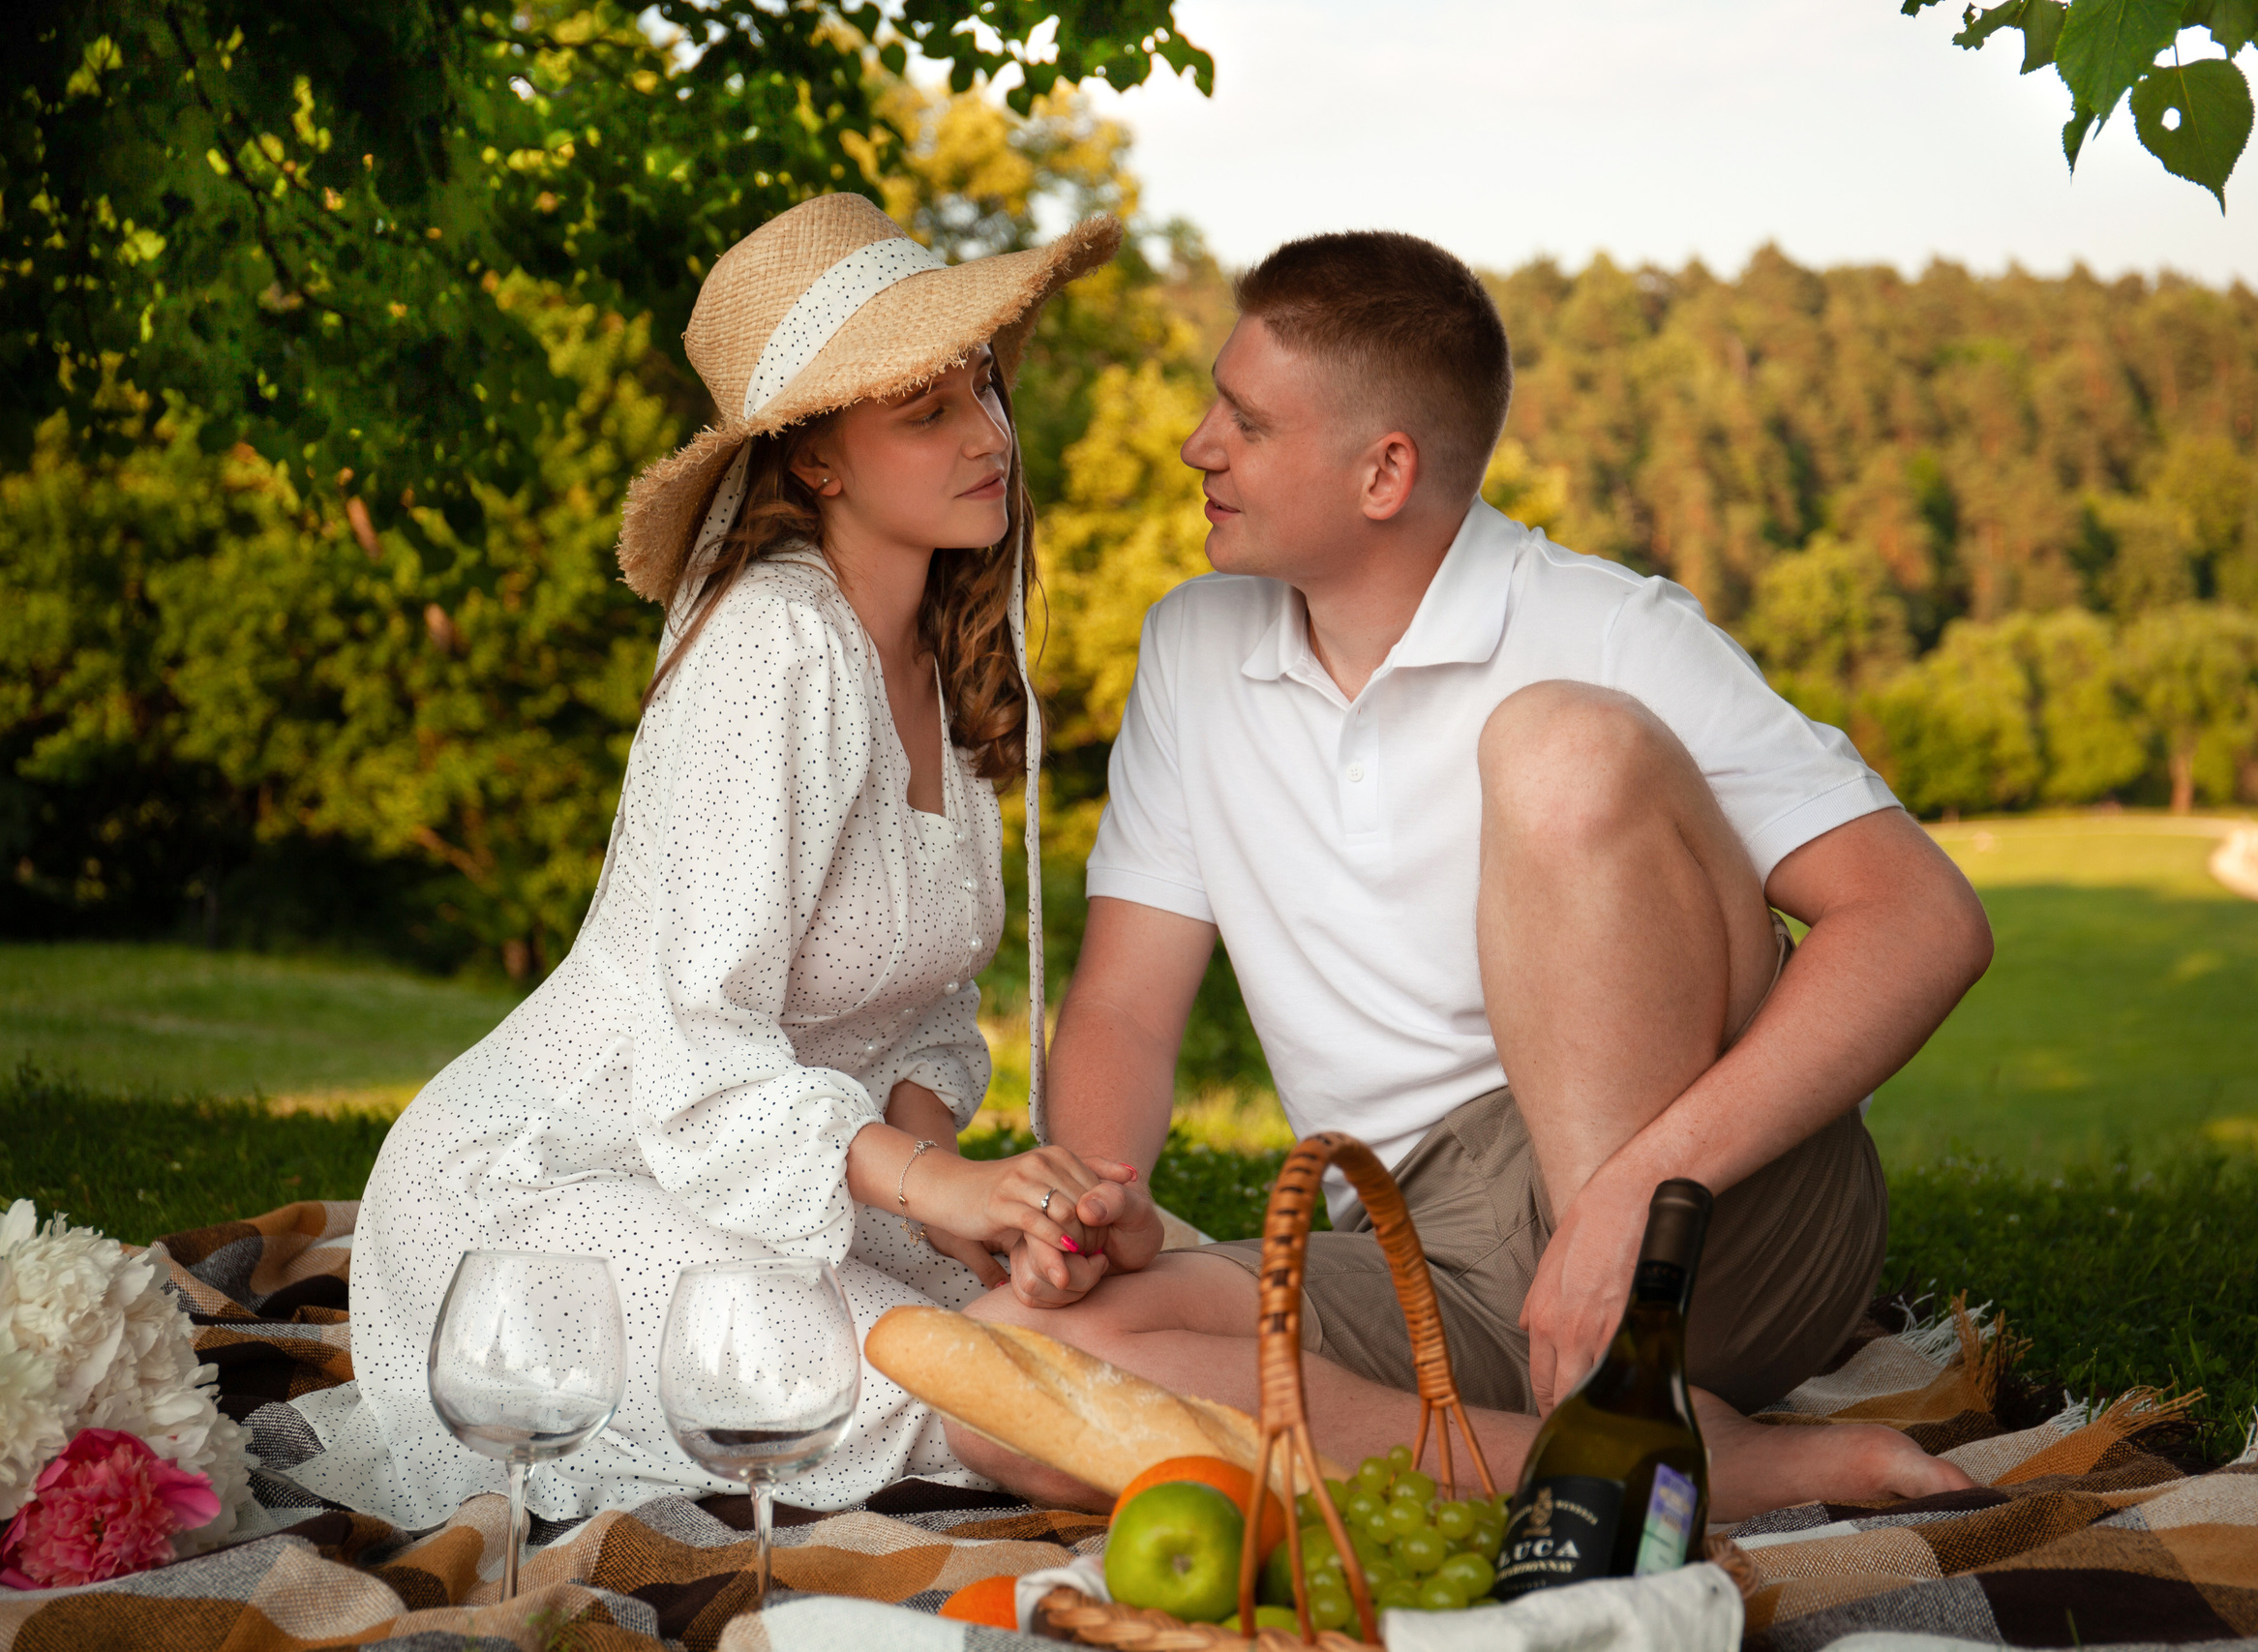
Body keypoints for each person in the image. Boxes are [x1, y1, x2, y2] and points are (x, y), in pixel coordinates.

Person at [952, 231, 1994, 1522]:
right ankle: (1712, 1467)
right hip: (1422, 1246)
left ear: (1386, 470)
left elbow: (1923, 919)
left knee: (1560, 745)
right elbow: (1122, 1006)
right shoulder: (1191, 649)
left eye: (1248, 420)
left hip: (1708, 1216)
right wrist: (1091, 1202)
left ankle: (1628, 1375)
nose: (1197, 444)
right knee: (1006, 1372)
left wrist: (1625, 1201)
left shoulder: (1609, 628)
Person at [297, 195, 1133, 1528]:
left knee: (1114, 1311)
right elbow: (699, 1049)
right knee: (993, 1398)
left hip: (762, 1182)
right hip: (545, 1193)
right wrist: (934, 1188)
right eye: (927, 411)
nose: (991, 433)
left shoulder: (946, 655)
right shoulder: (772, 651)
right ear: (816, 465)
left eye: (983, 385)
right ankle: (1386, 1527)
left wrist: (950, 1207)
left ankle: (1490, 1483)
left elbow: (919, 1009)